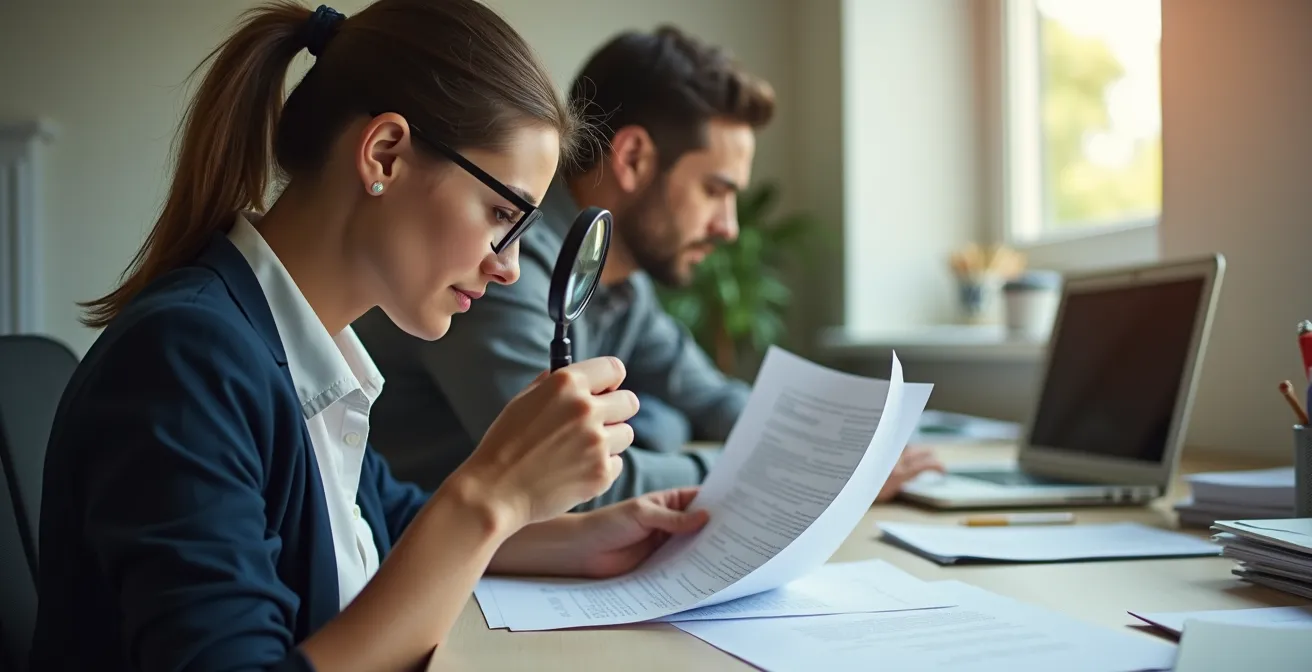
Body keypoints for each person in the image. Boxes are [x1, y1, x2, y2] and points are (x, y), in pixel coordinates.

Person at [29, 2, 712, 670]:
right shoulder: (187, 363)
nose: (508, 267)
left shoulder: (300, 352)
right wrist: (491, 492)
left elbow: (386, 524)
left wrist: (575, 536)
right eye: (501, 213)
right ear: (385, 153)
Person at [353, 26, 944, 508]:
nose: (729, 226)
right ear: (633, 158)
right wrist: (783, 467)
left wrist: (834, 446)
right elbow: (569, 484)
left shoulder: (619, 282)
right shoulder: (502, 272)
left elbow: (711, 397)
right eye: (715, 190)